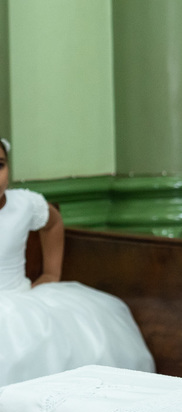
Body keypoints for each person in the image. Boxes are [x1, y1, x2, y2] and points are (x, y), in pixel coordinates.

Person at [0, 138, 155, 384]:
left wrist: (51, 273)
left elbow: (52, 223)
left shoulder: (24, 203)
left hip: (19, 302)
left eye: (0, 165)